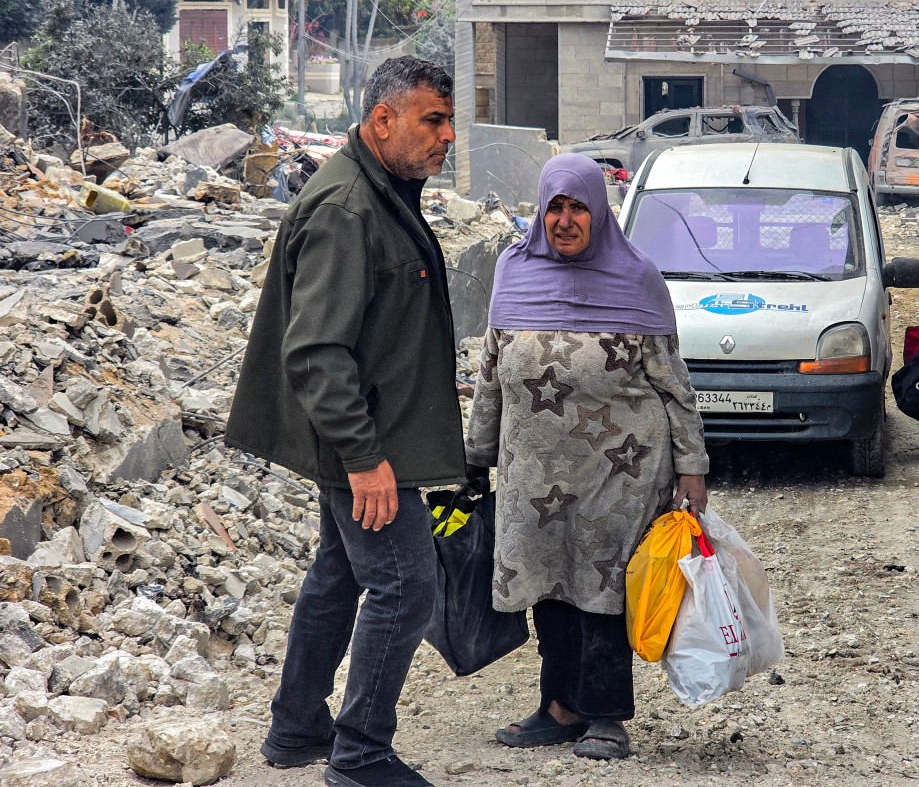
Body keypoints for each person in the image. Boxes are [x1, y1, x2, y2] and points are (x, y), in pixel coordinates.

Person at [224, 56, 462, 787]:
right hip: (363, 441)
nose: (448, 136)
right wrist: (363, 457)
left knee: (339, 572)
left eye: (450, 121)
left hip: (368, 431)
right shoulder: (347, 207)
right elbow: (317, 351)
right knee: (405, 586)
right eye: (433, 120)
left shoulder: (383, 191)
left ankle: (297, 728)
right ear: (383, 120)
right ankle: (360, 754)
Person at [465, 153, 710, 761]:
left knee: (604, 588)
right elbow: (491, 375)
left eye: (579, 207)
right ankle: (559, 709)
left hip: (621, 470)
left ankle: (605, 716)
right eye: (555, 207)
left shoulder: (636, 278)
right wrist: (474, 456)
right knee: (548, 586)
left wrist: (692, 466)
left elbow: (674, 385)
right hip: (531, 472)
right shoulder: (513, 271)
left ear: (599, 211)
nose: (566, 220)